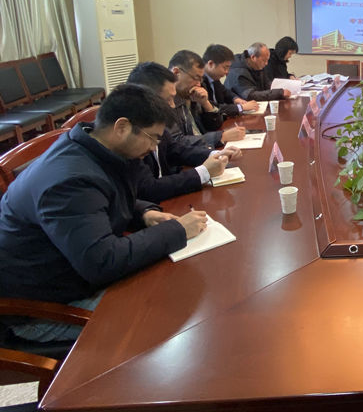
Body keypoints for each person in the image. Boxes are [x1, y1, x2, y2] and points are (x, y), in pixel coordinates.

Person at [0, 84, 209, 341]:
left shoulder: (95, 149)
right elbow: (102, 262)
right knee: (164, 316)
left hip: (75, 274)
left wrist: (143, 213)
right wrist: (177, 230)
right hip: (44, 309)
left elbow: (99, 200)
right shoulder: (69, 180)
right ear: (122, 127)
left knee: (179, 285)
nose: (155, 146)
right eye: (153, 137)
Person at [128, 62, 241, 202]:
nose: (172, 105)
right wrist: (203, 172)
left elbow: (176, 150)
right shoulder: (130, 134)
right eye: (168, 99)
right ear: (146, 98)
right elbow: (148, 189)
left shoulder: (157, 121)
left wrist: (215, 154)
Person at [169, 49, 245, 148]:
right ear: (176, 73)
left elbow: (214, 126)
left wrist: (205, 104)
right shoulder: (166, 100)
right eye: (196, 78)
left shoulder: (192, 93)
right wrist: (220, 137)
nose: (198, 84)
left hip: (204, 149)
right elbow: (176, 142)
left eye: (200, 79)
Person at [201, 44, 259, 117]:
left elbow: (225, 91)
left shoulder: (214, 78)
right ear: (211, 64)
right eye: (225, 68)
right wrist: (241, 107)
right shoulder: (199, 82)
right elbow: (213, 106)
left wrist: (235, 99)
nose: (227, 72)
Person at [225, 42, 291, 102]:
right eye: (264, 60)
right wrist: (278, 93)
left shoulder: (258, 65)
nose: (266, 63)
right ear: (253, 57)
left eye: (267, 60)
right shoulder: (238, 71)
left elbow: (266, 84)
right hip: (238, 107)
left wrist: (282, 88)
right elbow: (250, 95)